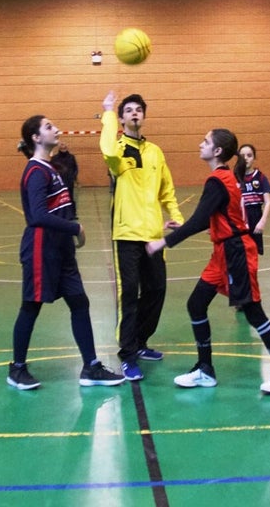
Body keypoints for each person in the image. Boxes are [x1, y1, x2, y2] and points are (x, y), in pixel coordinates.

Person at [145, 128, 270, 394]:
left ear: (217, 151)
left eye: (205, 141)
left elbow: (199, 220)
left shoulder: (218, 180)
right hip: (222, 253)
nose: (200, 144)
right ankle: (205, 369)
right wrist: (184, 226)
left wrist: (163, 242)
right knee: (196, 304)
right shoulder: (224, 178)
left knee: (253, 312)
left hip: (236, 252)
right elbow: (212, 218)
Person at [6, 115, 126, 390]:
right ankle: (17, 369)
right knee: (31, 306)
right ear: (36, 137)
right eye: (49, 127)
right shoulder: (35, 171)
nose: (57, 129)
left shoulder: (51, 168)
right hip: (41, 249)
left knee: (80, 303)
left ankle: (91, 367)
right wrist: (75, 227)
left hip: (61, 251)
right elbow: (37, 216)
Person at [99, 91, 184, 381]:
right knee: (129, 294)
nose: (135, 113)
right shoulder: (118, 149)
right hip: (126, 234)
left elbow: (166, 189)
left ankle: (141, 341)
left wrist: (177, 217)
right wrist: (108, 112)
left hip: (153, 235)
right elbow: (109, 153)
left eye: (138, 110)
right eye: (129, 111)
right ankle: (127, 353)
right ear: (122, 119)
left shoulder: (155, 152)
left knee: (157, 290)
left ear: (144, 116)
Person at [238, 144, 270, 256]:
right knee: (238, 252)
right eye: (242, 156)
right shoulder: (234, 177)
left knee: (253, 253)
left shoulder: (260, 177)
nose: (246, 158)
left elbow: (268, 202)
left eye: (249, 155)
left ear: (254, 158)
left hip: (255, 216)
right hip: (238, 217)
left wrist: (262, 221)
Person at [51, 140, 79, 219]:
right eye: (61, 145)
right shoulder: (54, 158)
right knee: (59, 198)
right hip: (59, 183)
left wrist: (73, 177)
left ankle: (72, 214)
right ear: (59, 148)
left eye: (64, 145)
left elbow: (75, 168)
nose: (63, 146)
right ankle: (60, 214)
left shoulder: (71, 157)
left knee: (70, 198)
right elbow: (52, 169)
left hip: (69, 181)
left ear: (67, 147)